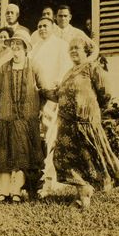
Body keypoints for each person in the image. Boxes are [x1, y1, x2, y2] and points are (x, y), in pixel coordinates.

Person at [43, 36, 119, 208]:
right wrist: (41, 92)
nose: (73, 51)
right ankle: (83, 187)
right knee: (62, 158)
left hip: (86, 122)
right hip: (67, 124)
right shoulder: (69, 72)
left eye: (77, 48)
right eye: (71, 49)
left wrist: (93, 111)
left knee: (90, 156)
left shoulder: (92, 68)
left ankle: (86, 193)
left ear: (86, 51)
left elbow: (105, 93)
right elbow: (59, 94)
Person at [0, 31, 45, 202]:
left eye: (19, 45)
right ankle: (4, 191)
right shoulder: (4, 67)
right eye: (13, 45)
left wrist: (42, 108)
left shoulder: (34, 65)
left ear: (25, 48)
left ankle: (16, 191)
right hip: (6, 116)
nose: (15, 49)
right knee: (4, 153)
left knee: (22, 154)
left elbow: (43, 88)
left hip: (26, 117)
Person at [30, 17, 73, 196]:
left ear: (53, 27)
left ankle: (52, 180)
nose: (42, 29)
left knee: (51, 136)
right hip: (38, 96)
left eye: (45, 26)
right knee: (41, 137)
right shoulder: (36, 47)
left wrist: (58, 83)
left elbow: (66, 66)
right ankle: (39, 180)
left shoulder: (61, 45)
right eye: (39, 26)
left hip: (54, 95)